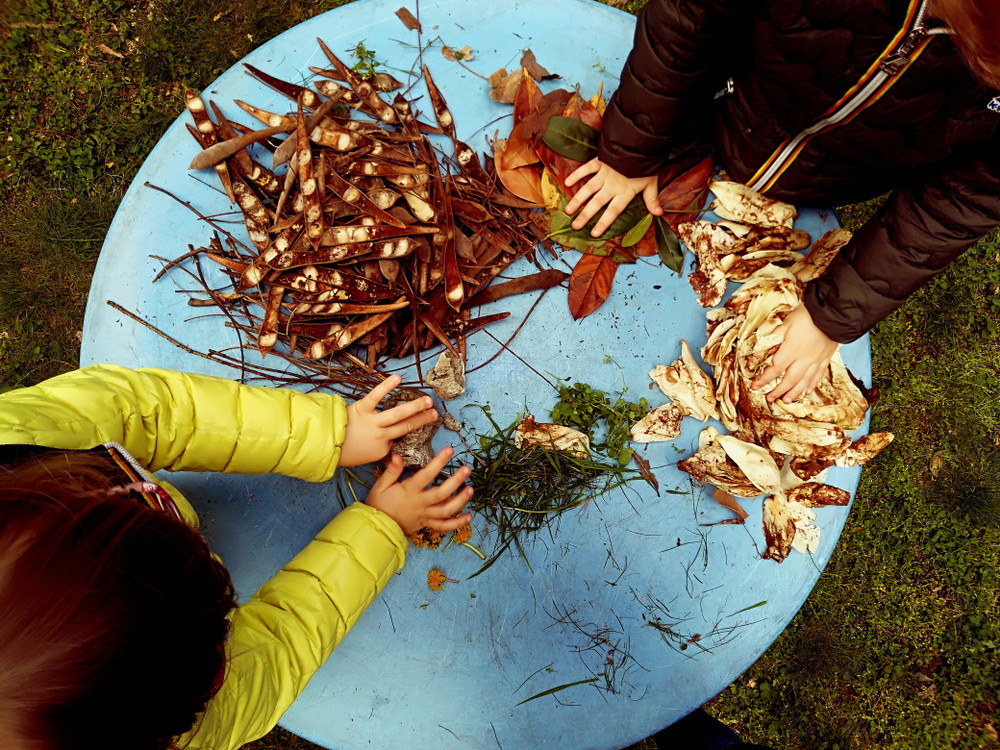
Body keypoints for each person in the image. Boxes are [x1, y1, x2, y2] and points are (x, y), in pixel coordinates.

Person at [0, 364, 473, 750]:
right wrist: (379, 529)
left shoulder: (26, 436)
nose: (225, 666)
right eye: (216, 656)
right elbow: (273, 654)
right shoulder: (176, 734)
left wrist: (323, 434)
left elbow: (152, 410)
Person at [564, 0, 1000, 404]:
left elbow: (959, 202)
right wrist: (633, 144)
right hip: (727, 90)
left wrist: (833, 314)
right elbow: (689, 14)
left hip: (834, 175)